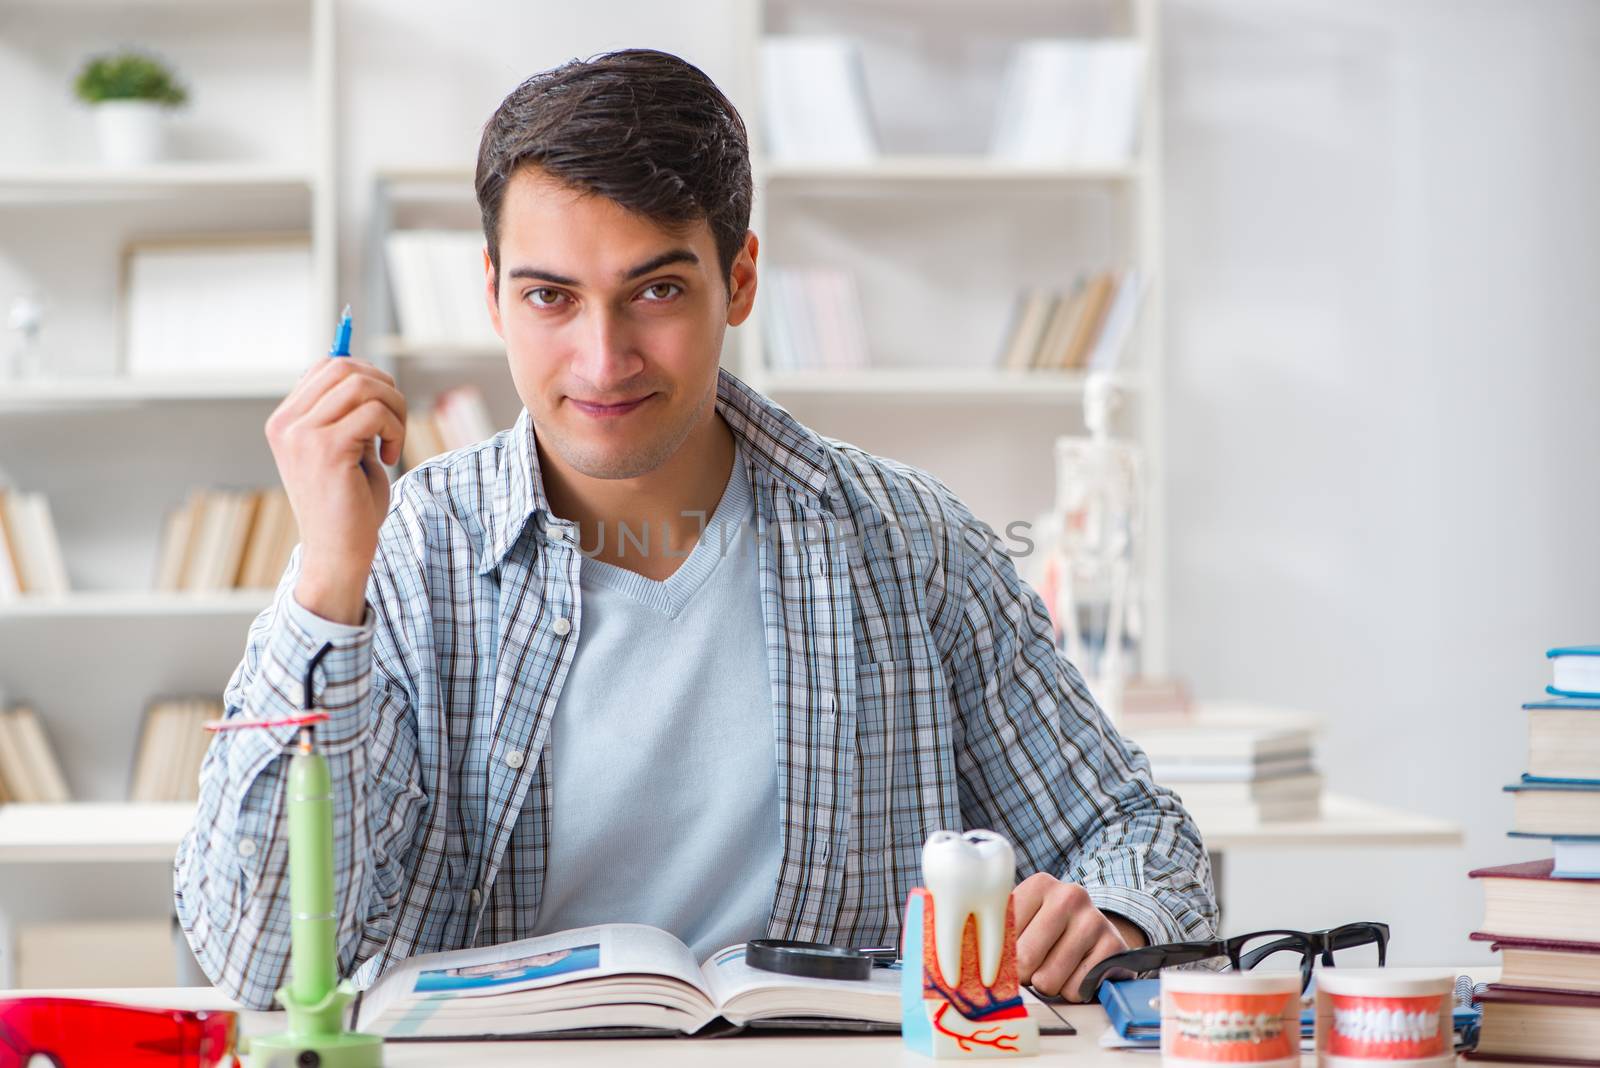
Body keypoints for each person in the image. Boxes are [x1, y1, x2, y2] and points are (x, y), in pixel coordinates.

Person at [174, 48, 1216, 1012]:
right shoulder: (393, 557)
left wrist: (1110, 916)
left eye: (657, 290)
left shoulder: (913, 542)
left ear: (741, 280)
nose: (601, 358)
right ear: (491, 294)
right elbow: (260, 957)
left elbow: (1140, 837)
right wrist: (328, 581)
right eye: (550, 297)